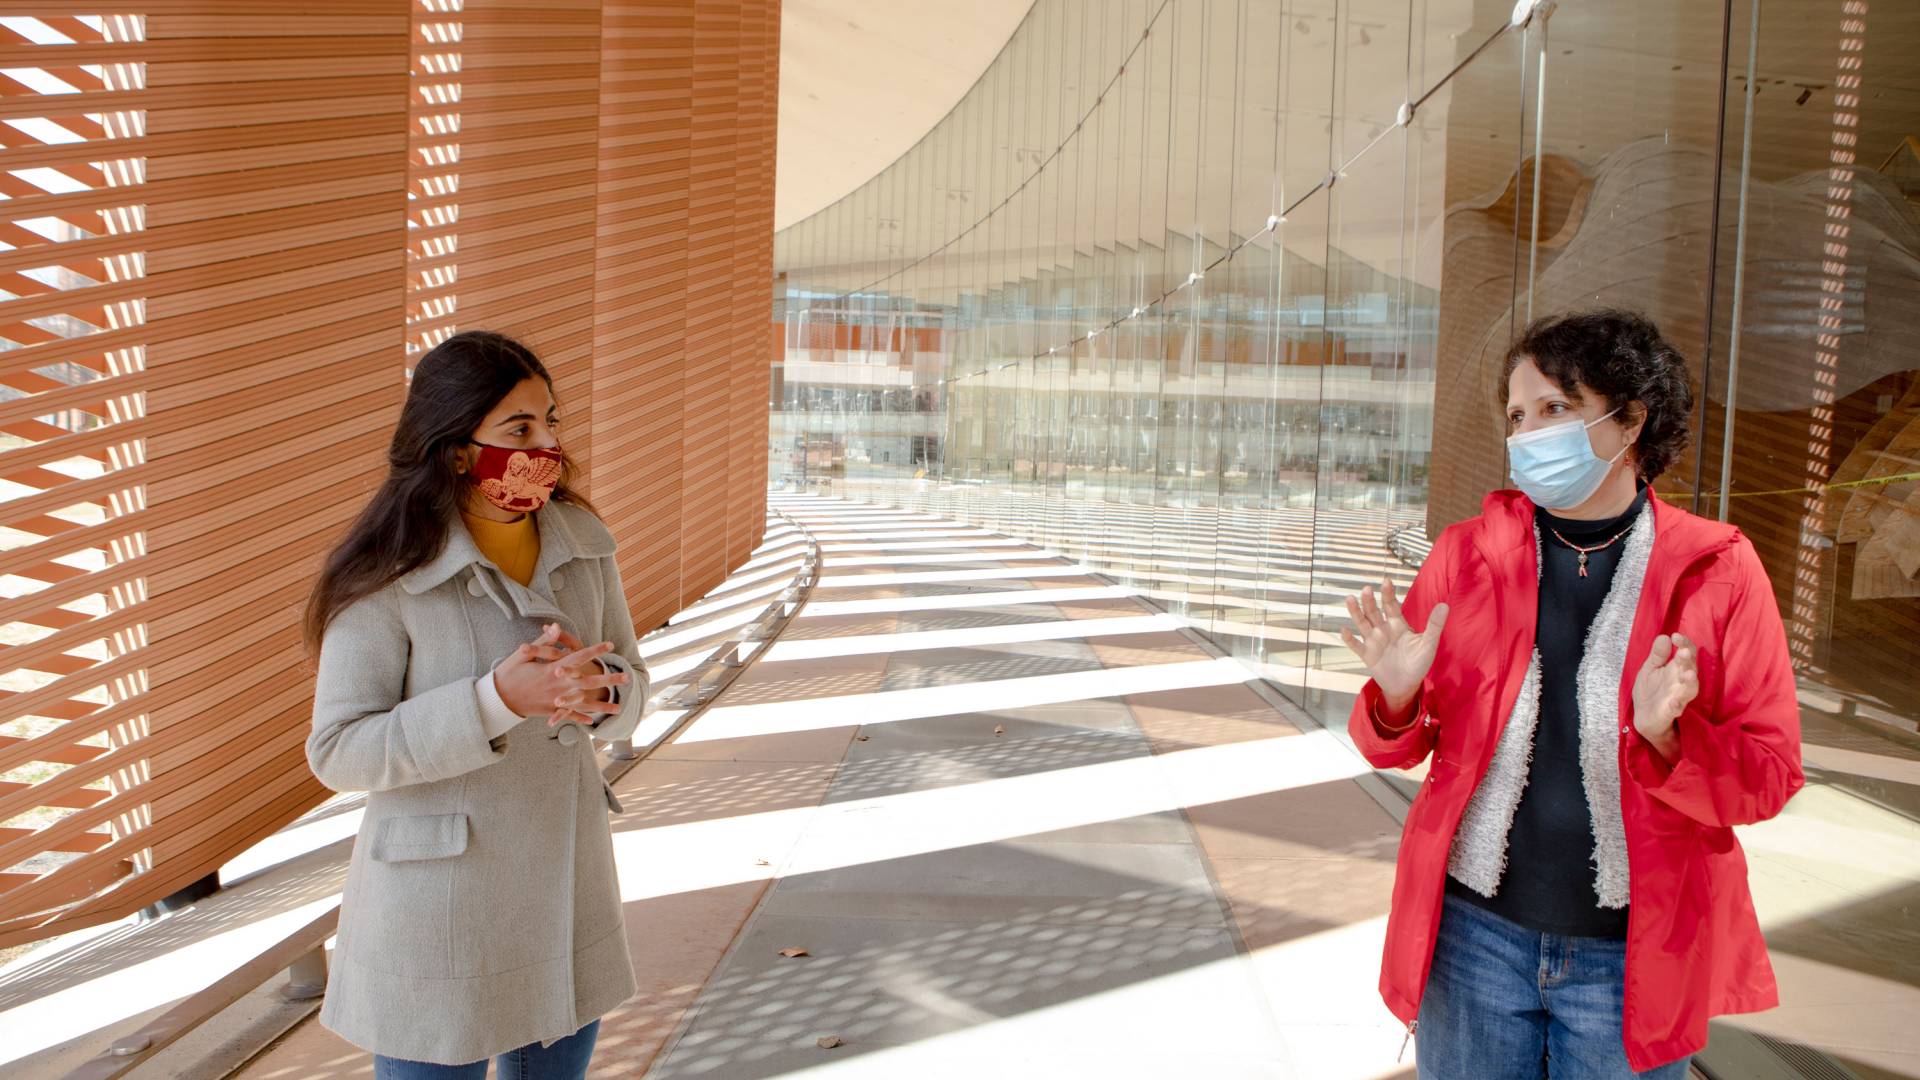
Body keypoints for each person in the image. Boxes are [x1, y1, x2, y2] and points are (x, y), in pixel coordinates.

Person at [1341, 310, 1803, 1078]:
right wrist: (1394, 697)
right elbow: (1397, 741)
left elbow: (1769, 775)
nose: (1529, 434)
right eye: (1518, 416)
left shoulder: (1718, 570)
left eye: (1556, 408)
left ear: (1630, 421)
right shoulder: (1467, 556)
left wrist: (1669, 737)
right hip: (1473, 939)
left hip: (1631, 955)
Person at [304, 330, 650, 1078]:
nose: (546, 444)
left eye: (550, 422)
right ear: (456, 446)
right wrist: (494, 701)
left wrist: (605, 693)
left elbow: (632, 678)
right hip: (439, 914)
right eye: (518, 429)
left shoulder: (584, 542)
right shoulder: (387, 571)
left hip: (563, 895)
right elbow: (338, 749)